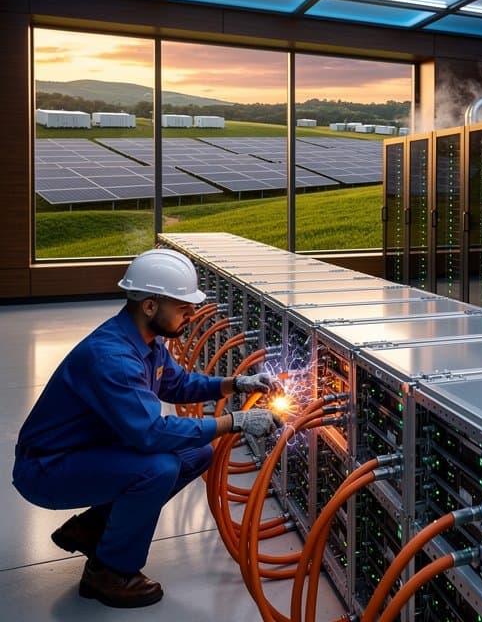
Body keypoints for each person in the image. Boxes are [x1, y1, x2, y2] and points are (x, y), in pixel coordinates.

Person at [12, 248, 282, 609]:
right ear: (150, 306)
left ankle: (94, 529)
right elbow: (152, 433)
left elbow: (178, 384)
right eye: (183, 308)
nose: (191, 315)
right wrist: (235, 422)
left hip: (86, 451)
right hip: (48, 468)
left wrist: (235, 383)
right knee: (158, 468)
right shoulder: (113, 358)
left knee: (197, 453)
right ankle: (109, 572)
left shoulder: (146, 342)